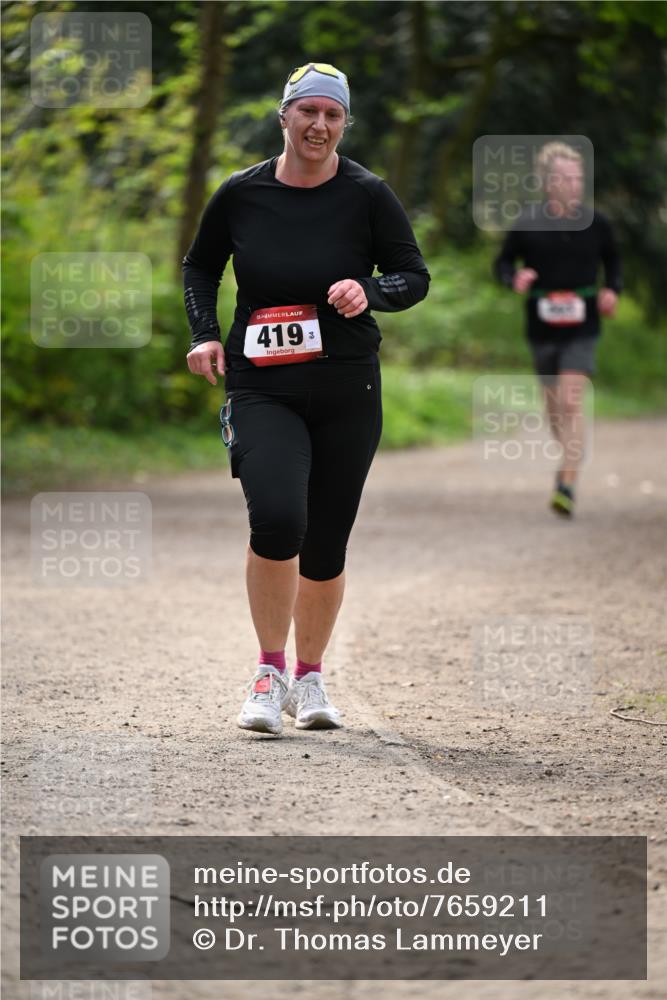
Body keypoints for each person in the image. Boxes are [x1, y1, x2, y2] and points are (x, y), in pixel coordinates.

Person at [182, 62, 430, 734]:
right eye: (308, 112)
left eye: (333, 115)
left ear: (344, 124)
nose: (319, 125)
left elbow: (413, 276)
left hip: (350, 385)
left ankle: (311, 679)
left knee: (325, 542)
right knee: (277, 518)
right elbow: (201, 265)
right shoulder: (240, 194)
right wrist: (205, 335)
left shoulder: (366, 194)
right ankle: (268, 671)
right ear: (284, 116)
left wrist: (370, 290)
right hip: (263, 385)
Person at [494, 141, 622, 517]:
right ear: (548, 183)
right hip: (542, 328)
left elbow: (613, 264)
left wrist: (612, 291)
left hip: (583, 326)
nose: (573, 184)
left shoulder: (598, 224)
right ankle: (569, 458)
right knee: (555, 411)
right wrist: (515, 277)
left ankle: (566, 482)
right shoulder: (527, 224)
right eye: (565, 178)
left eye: (578, 177)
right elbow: (502, 264)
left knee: (571, 401)